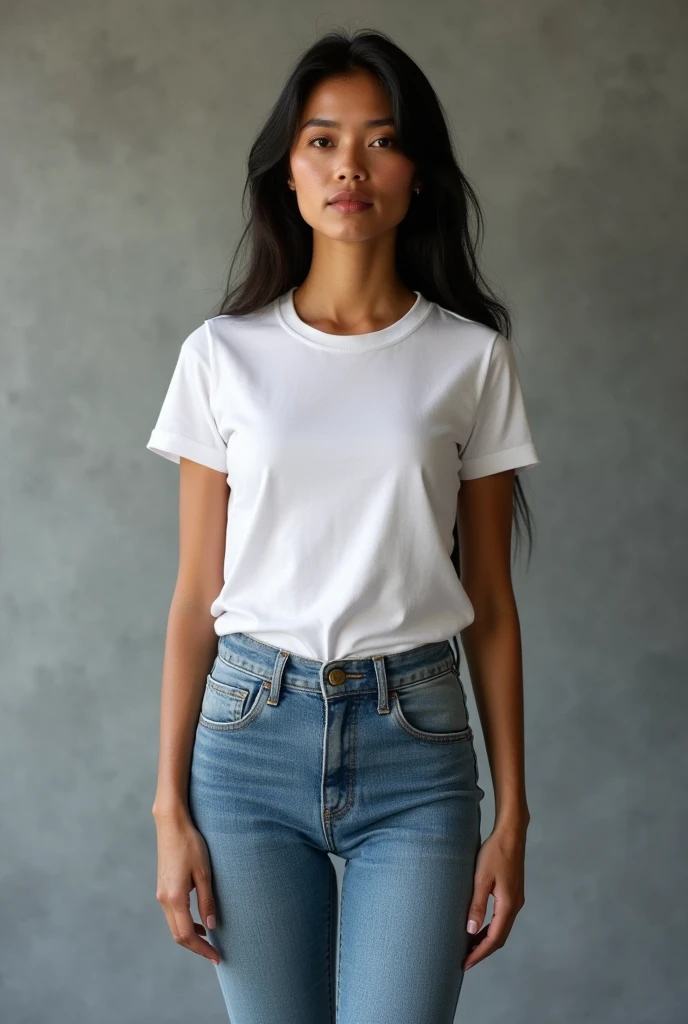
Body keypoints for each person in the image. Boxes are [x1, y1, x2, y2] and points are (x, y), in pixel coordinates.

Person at [146, 27, 540, 1024]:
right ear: (287, 169)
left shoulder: (469, 359)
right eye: (322, 140)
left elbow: (490, 603)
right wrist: (167, 809)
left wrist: (513, 817)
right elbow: (196, 594)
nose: (348, 167)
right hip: (245, 743)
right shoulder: (221, 356)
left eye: (379, 140)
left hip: (417, 743)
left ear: (418, 173)